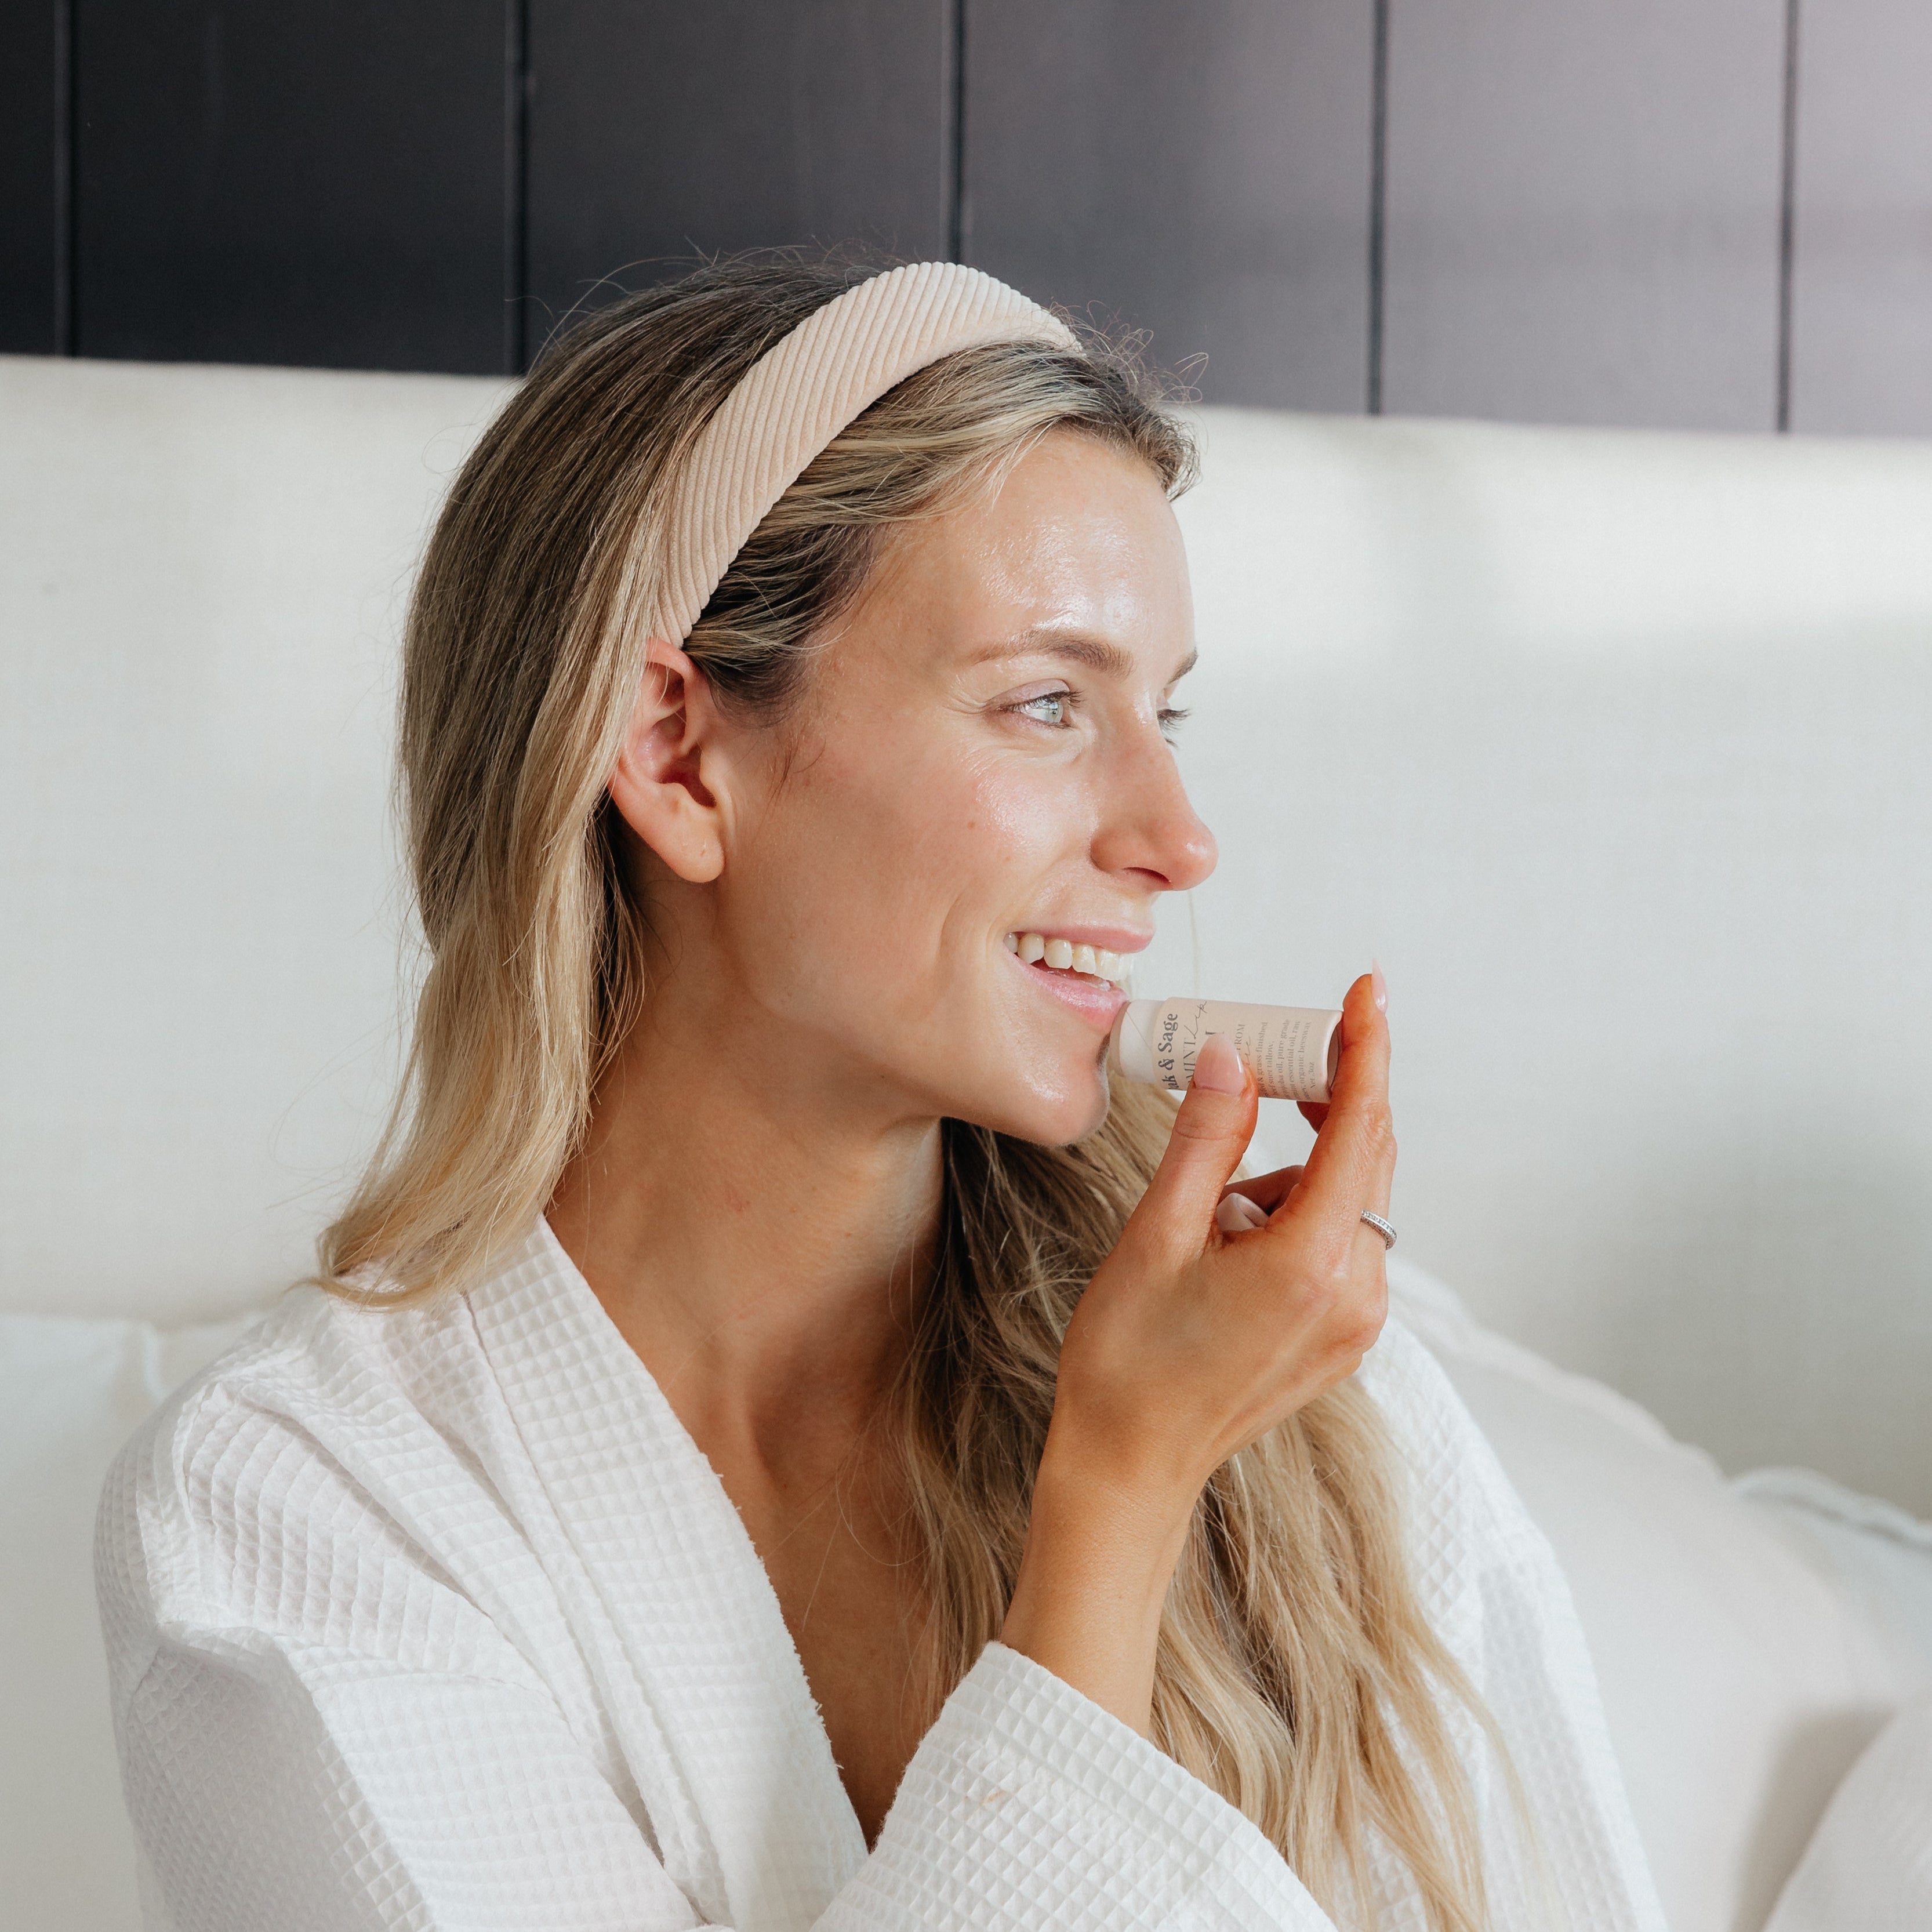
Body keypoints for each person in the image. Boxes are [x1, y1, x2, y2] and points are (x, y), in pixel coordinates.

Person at [98, 257, 1664, 1932]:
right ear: (681, 757)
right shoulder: (295, 1506)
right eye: (1046, 702)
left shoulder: (1312, 1408)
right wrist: (1114, 1504)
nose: (1177, 835)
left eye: (1165, 707)